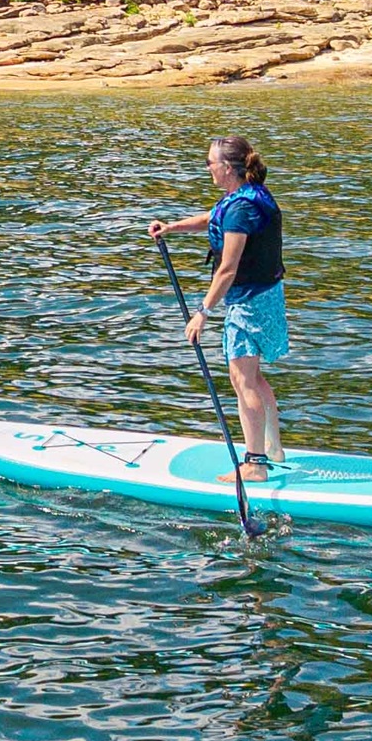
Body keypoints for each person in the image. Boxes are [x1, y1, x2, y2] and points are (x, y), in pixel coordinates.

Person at [149, 135, 287, 482]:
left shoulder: (241, 208)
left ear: (227, 168)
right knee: (252, 376)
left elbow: (227, 268)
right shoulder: (246, 196)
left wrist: (203, 313)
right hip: (265, 295)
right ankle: (273, 449)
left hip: (249, 303)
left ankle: (255, 464)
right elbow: (214, 217)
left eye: (210, 163)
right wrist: (173, 228)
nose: (207, 168)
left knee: (242, 380)